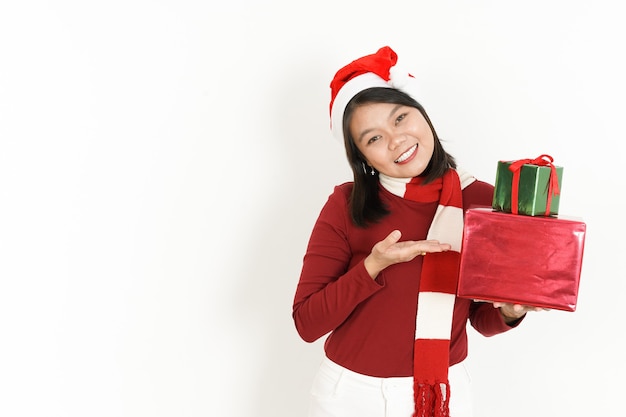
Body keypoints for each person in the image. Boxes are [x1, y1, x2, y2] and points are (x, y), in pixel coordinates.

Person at [292, 46, 544, 417]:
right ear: (362, 157)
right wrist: (372, 266)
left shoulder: (482, 202)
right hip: (349, 395)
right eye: (373, 138)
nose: (395, 140)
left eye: (400, 119)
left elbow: (481, 320)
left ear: (423, 115)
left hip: (443, 392)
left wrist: (509, 311)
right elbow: (307, 323)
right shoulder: (346, 205)